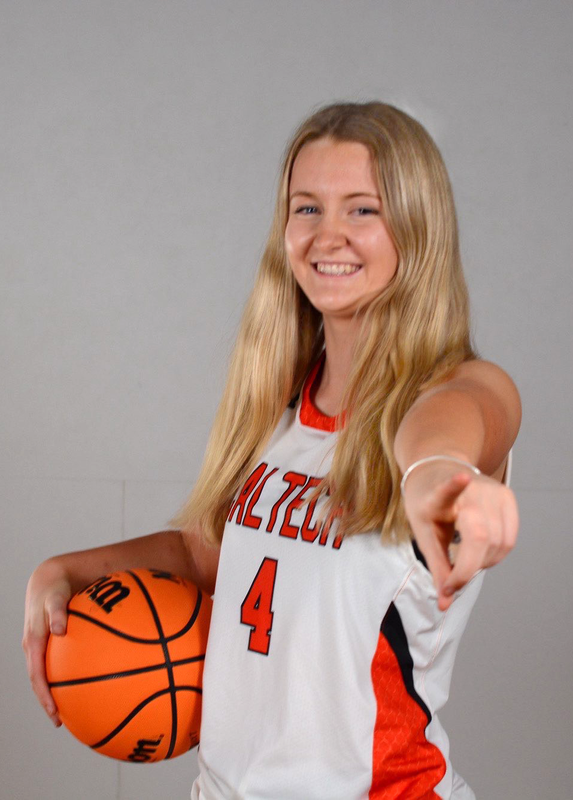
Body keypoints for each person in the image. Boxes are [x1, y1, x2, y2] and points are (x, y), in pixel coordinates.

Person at [23, 101, 521, 799]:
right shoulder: (279, 409)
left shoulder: (458, 390)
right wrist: (62, 571)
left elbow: (459, 425)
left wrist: (437, 473)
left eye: (363, 210)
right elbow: (211, 554)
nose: (329, 235)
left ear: (419, 227)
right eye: (307, 208)